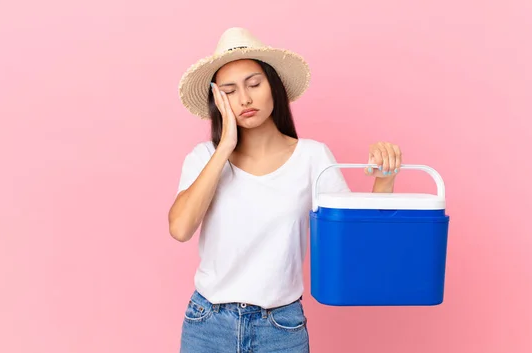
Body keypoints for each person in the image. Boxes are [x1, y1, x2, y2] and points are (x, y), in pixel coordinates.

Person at [169, 27, 403, 353]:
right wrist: (225, 147)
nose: (245, 99)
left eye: (254, 84)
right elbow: (180, 228)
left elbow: (354, 245)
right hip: (208, 324)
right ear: (217, 101)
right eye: (230, 91)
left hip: (281, 329)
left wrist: (385, 180)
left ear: (273, 87)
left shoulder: (312, 157)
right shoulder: (203, 158)